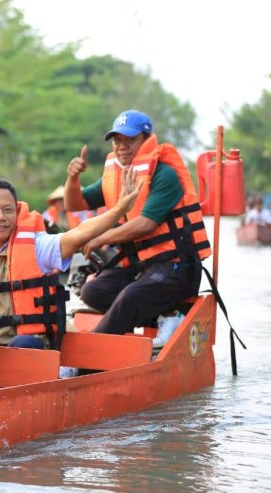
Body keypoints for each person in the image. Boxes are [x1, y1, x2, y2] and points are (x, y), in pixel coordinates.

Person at [63, 109, 212, 335]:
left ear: (146, 139)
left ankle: (87, 354)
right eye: (117, 140)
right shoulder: (117, 174)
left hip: (176, 268)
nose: (122, 146)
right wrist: (73, 178)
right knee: (92, 291)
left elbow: (145, 224)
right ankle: (165, 316)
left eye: (130, 139)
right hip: (140, 265)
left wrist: (100, 238)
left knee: (130, 297)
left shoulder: (164, 175)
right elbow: (76, 203)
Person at [0, 174, 141, 354]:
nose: (0, 217)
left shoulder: (37, 246)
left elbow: (79, 234)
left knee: (23, 343)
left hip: (31, 347)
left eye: (7, 210)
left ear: (17, 212)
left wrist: (119, 209)